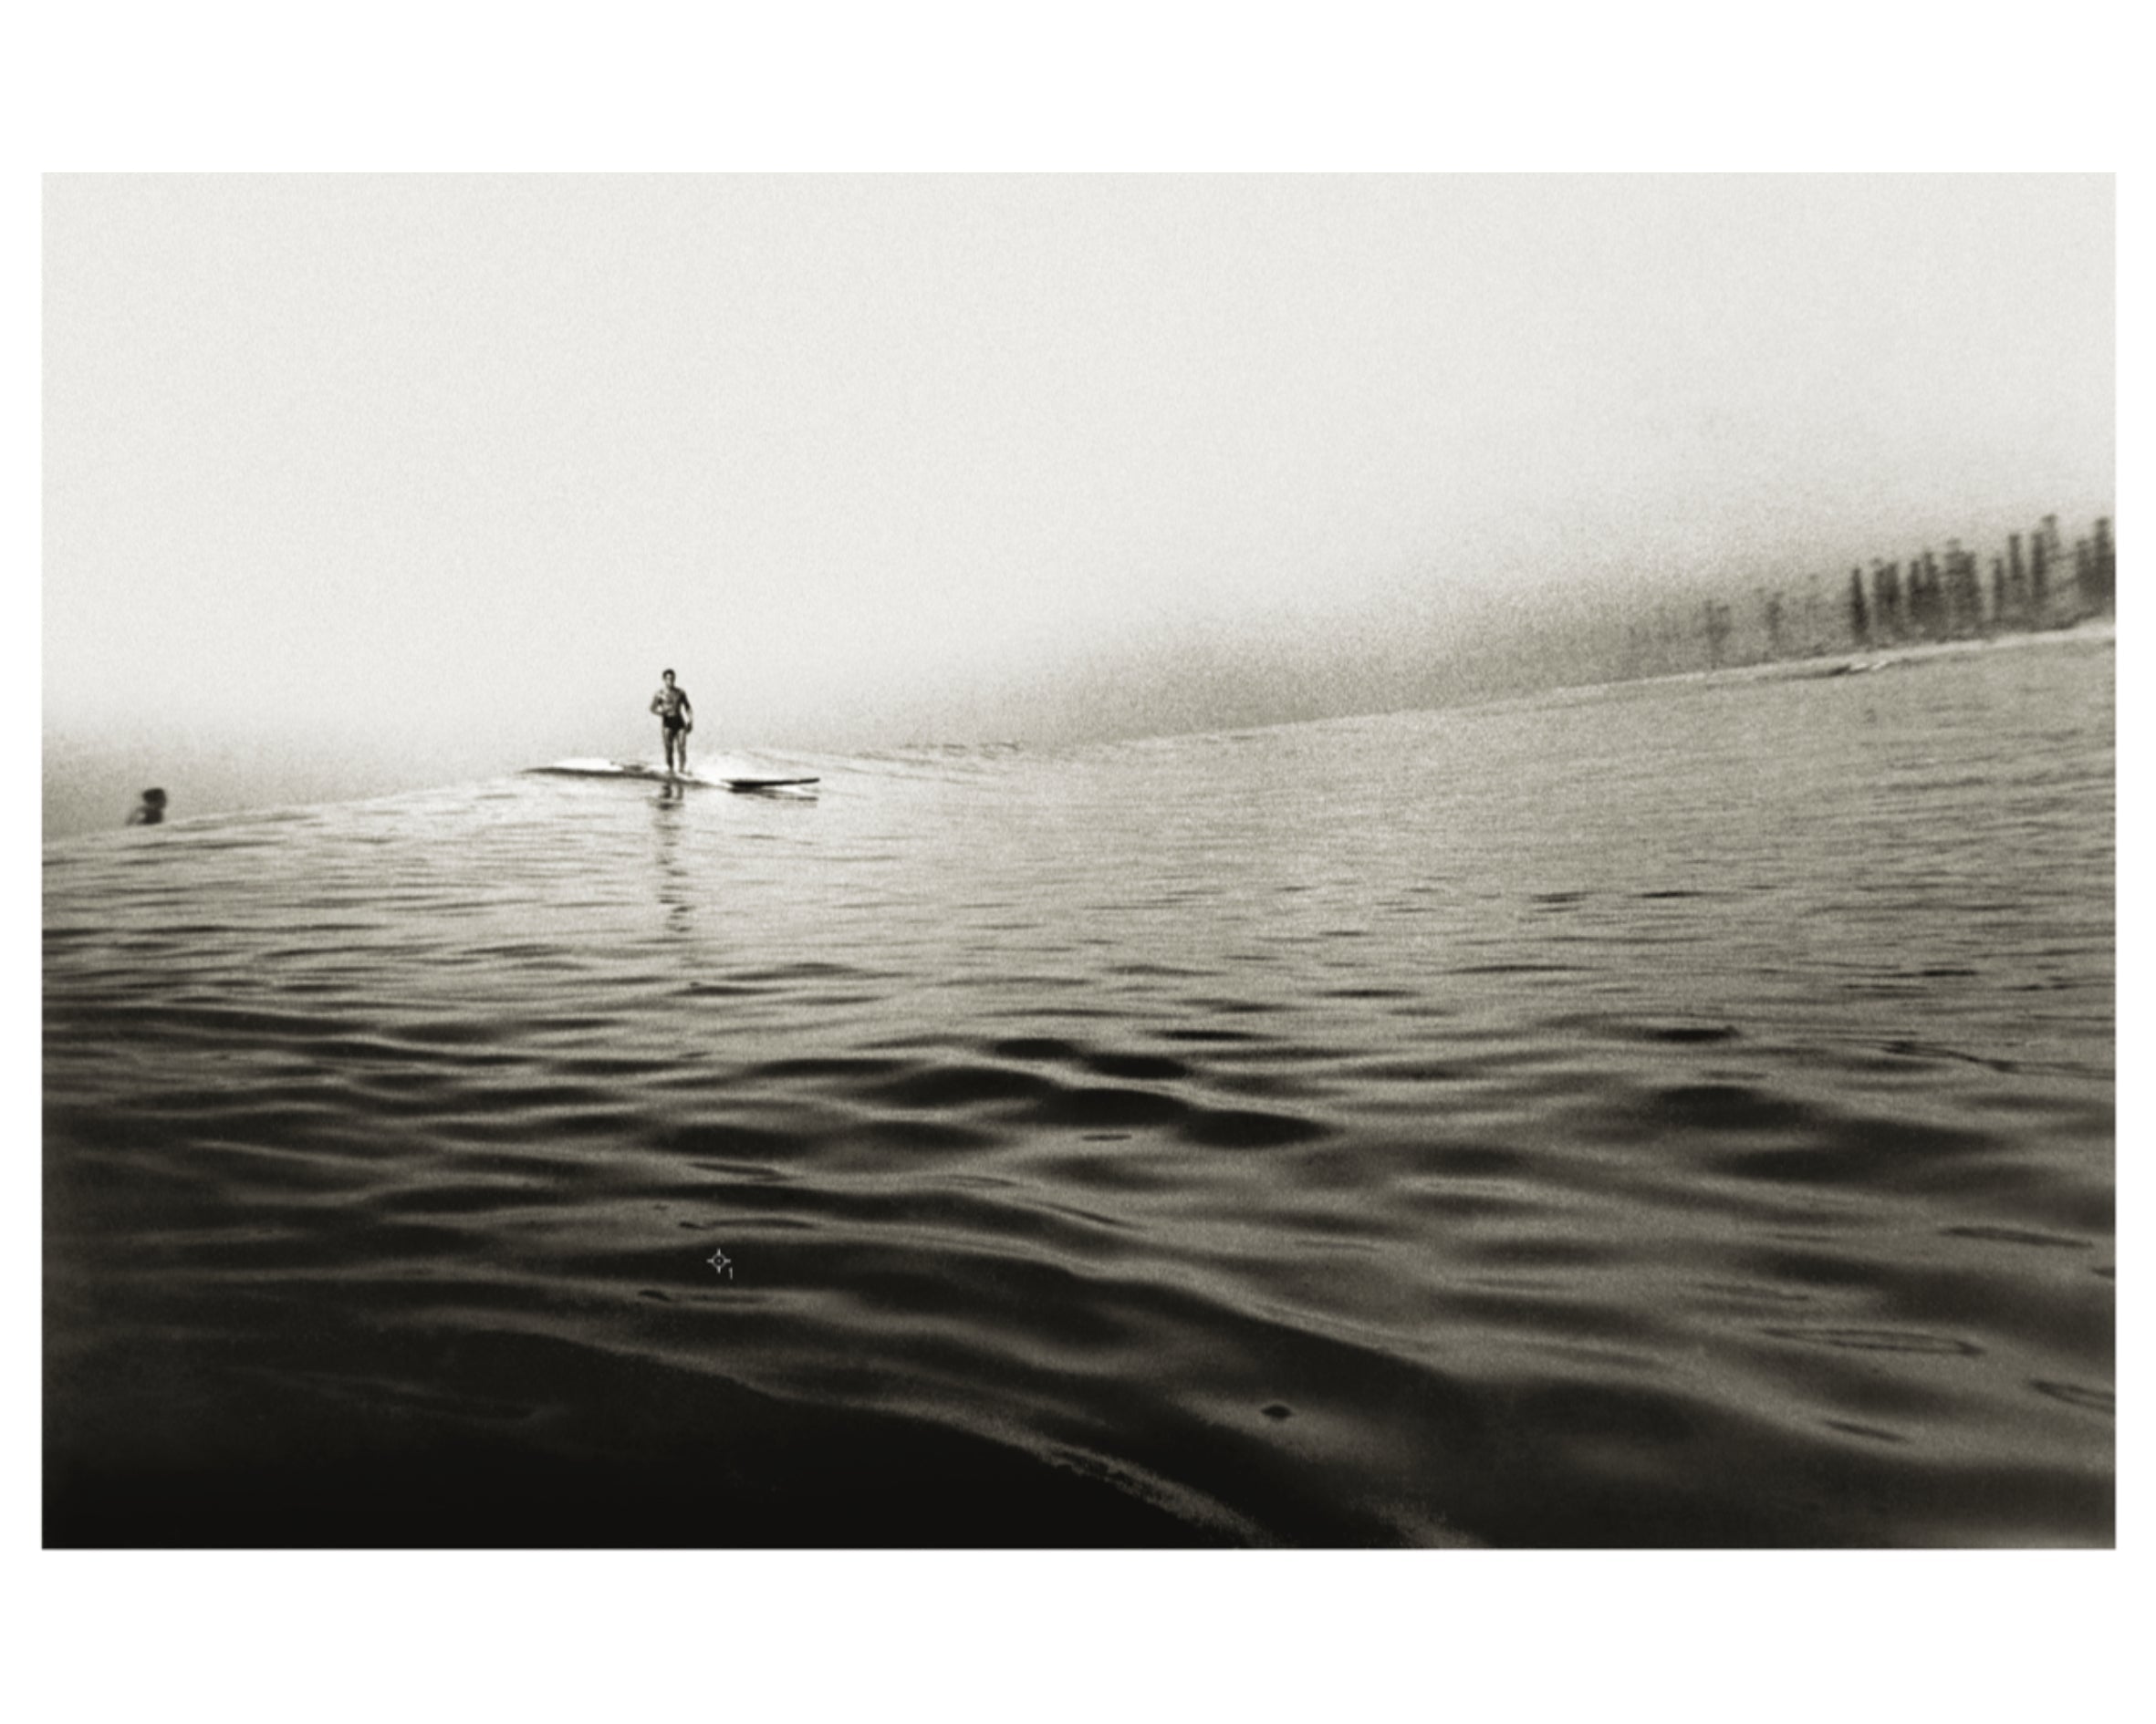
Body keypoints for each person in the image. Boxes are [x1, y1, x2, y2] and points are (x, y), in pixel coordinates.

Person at [650, 670, 694, 774]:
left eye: (673, 678)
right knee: (669, 749)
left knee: (681, 747)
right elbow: (652, 708)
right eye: (668, 678)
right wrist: (661, 712)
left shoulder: (680, 692)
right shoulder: (660, 694)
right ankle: (670, 770)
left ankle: (682, 770)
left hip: (679, 723)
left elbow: (688, 707)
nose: (671, 680)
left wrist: (691, 721)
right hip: (667, 724)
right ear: (664, 680)